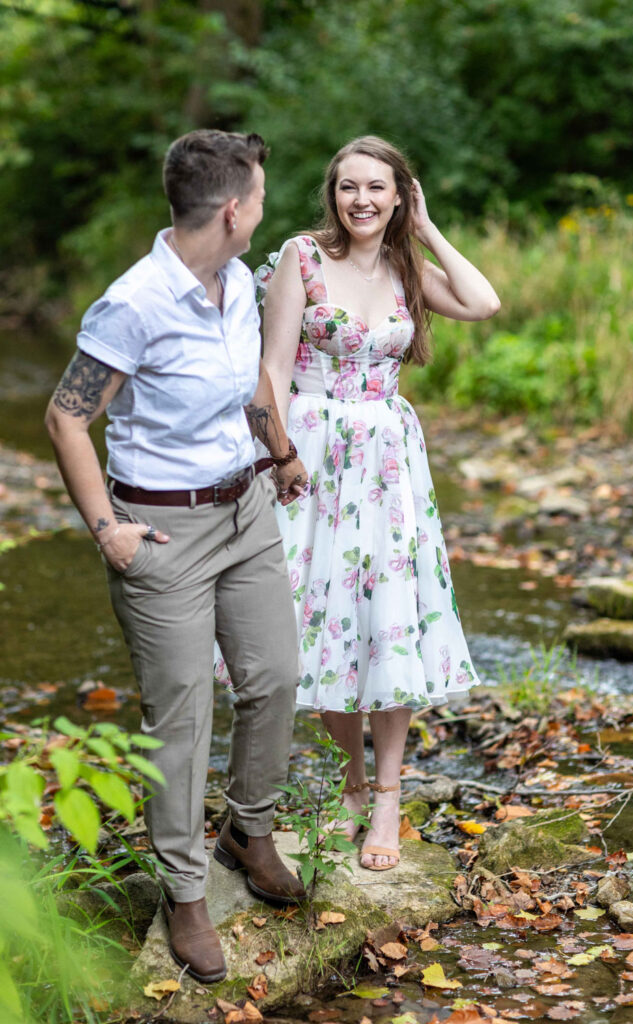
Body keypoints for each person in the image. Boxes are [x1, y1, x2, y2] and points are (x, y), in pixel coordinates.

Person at [45, 129, 308, 985]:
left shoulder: (236, 280)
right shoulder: (135, 301)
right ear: (232, 210)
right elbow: (63, 417)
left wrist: (279, 454)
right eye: (260, 198)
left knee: (274, 677)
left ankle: (248, 831)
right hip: (162, 536)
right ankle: (185, 892)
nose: (264, 210)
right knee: (181, 720)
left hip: (246, 510)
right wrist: (106, 527)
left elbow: (252, 382)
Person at [254, 135, 500, 871]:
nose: (360, 200)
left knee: (389, 619)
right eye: (347, 187)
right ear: (330, 195)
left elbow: (483, 303)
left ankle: (388, 797)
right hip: (311, 455)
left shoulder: (404, 265)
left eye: (377, 189)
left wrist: (424, 231)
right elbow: (268, 370)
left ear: (398, 196)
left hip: (389, 462)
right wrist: (282, 457)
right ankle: (353, 781)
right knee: (325, 623)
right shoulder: (300, 258)